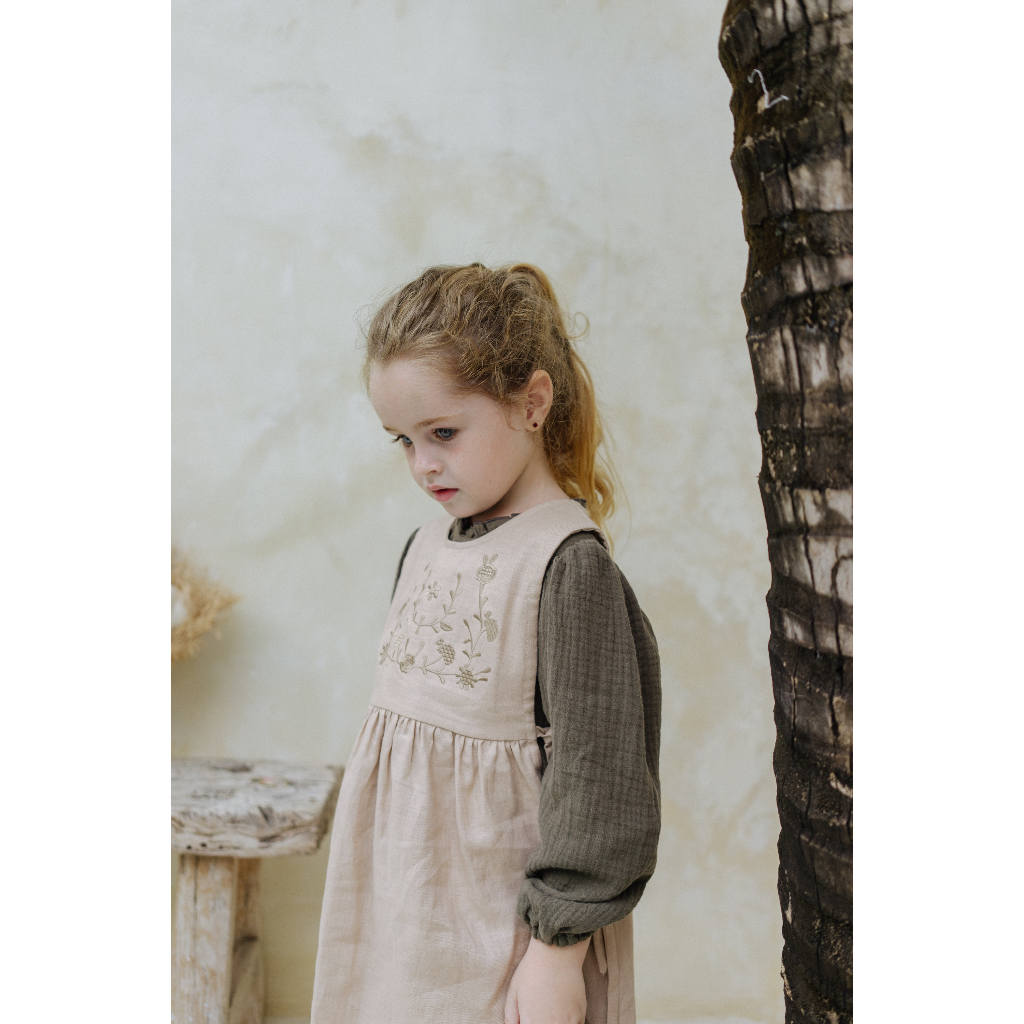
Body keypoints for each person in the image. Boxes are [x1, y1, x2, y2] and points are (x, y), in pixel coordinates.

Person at [311, 263, 661, 1024]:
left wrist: (557, 953)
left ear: (531, 404)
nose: (423, 464)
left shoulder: (568, 569)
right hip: (403, 926)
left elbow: (601, 778)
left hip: (505, 942)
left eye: (443, 433)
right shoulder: (422, 547)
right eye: (403, 441)